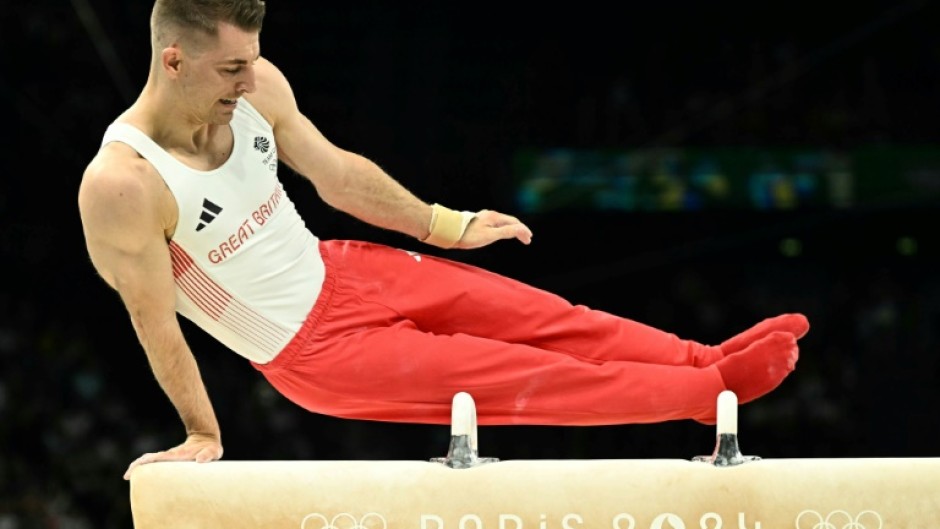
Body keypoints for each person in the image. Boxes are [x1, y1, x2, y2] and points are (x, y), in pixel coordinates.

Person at [77, 0, 809, 481]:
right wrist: (201, 431)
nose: (250, 77)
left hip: (348, 268)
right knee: (528, 376)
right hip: (317, 353)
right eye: (232, 68)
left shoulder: (259, 85)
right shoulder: (125, 184)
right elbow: (155, 320)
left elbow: (336, 176)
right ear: (173, 60)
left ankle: (710, 358)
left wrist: (446, 224)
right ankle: (706, 394)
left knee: (554, 319)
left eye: (251, 59)